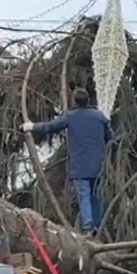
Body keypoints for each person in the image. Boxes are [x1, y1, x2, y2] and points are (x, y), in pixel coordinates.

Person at [21, 88, 113, 235]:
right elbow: (110, 137)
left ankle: (88, 227)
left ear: (74, 101)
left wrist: (31, 127)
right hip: (99, 165)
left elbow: (51, 127)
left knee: (84, 195)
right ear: (88, 100)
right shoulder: (99, 116)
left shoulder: (71, 116)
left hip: (80, 165)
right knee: (96, 196)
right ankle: (97, 226)